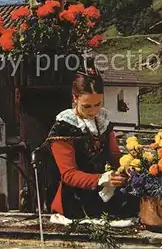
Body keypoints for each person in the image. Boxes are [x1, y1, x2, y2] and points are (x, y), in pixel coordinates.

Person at [42, 58, 137, 220]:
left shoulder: (103, 121)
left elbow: (114, 155)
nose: (93, 111)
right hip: (74, 195)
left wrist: (128, 167)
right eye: (87, 106)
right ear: (75, 98)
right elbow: (69, 174)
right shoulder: (64, 127)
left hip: (103, 190)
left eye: (98, 104)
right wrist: (101, 178)